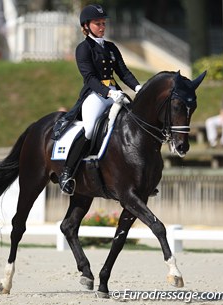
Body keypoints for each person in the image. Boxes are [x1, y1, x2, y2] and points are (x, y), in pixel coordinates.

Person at [59, 4, 142, 195]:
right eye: (98, 24)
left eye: (103, 23)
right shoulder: (83, 49)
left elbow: (123, 72)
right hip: (95, 95)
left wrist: (139, 88)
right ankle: (67, 173)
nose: (102, 27)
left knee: (136, 123)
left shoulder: (111, 47)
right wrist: (109, 93)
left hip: (116, 93)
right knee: (89, 129)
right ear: (86, 26)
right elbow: (89, 78)